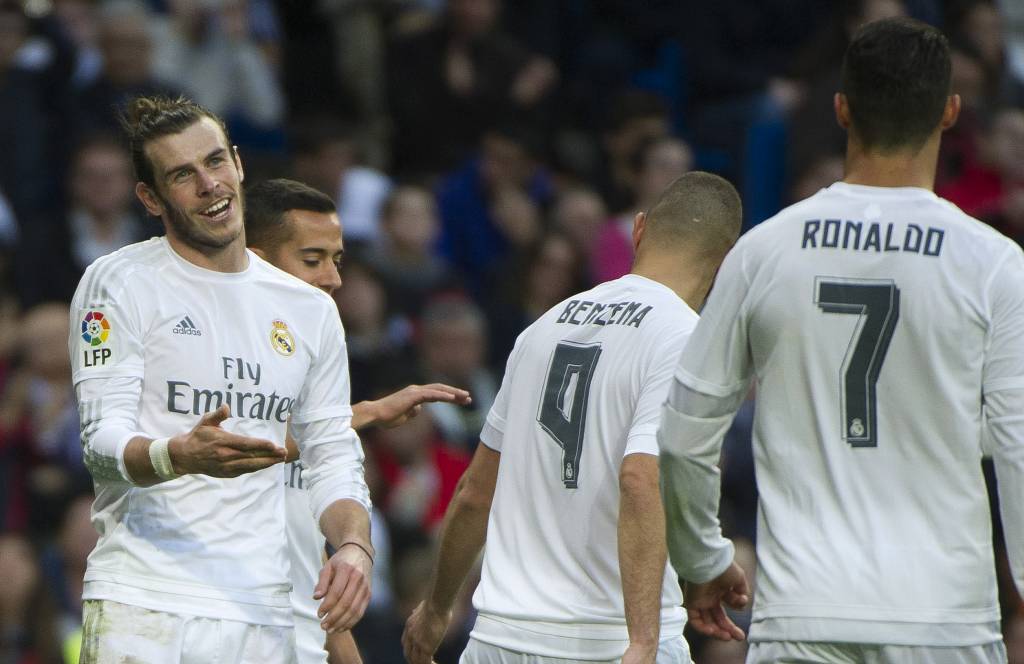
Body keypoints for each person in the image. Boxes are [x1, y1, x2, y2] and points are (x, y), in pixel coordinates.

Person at [658, 17, 1024, 661]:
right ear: (949, 112)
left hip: (803, 617)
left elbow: (685, 436)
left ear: (841, 108)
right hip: (944, 621)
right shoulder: (992, 263)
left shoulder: (763, 251)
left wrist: (703, 559)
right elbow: (1020, 443)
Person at [69, 95, 373, 661]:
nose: (208, 184)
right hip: (144, 603)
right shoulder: (119, 282)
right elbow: (99, 444)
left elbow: (332, 452)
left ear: (238, 163)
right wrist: (176, 455)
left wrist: (354, 545)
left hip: (263, 613)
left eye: (214, 162)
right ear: (150, 198)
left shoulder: (308, 309)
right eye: (183, 175)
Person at [402, 171, 745, 664]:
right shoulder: (687, 337)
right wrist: (644, 641)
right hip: (606, 643)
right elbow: (640, 479)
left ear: (640, 230)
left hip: (502, 638)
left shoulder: (543, 326)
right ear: (726, 260)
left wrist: (436, 608)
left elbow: (476, 491)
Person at [243, 177, 471, 664]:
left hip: (289, 628)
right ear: (258, 259)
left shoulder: (311, 353)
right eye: (313, 260)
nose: (333, 278)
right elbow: (243, 447)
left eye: (337, 259)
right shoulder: (218, 348)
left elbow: (301, 540)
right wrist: (368, 412)